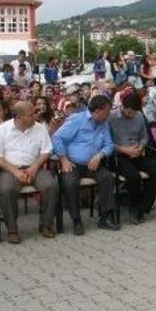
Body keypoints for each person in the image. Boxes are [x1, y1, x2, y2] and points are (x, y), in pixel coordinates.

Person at [0, 101, 56, 243]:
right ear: (18, 117)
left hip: (34, 167)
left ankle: (46, 224)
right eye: (31, 115)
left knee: (50, 185)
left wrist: (35, 166)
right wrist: (15, 171)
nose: (35, 117)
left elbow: (47, 151)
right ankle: (12, 230)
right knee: (6, 189)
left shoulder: (39, 128)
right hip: (9, 169)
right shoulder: (1, 130)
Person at [52, 94, 119, 235]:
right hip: (72, 163)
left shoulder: (104, 123)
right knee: (70, 183)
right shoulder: (77, 119)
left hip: (92, 163)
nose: (109, 115)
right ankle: (76, 220)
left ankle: (105, 217)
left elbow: (109, 145)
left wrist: (99, 155)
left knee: (107, 177)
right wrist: (63, 159)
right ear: (98, 111)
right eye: (107, 111)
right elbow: (57, 137)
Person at [108, 92, 156, 223]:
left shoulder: (139, 116)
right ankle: (133, 207)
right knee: (133, 176)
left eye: (135, 112)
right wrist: (124, 149)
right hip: (119, 155)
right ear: (123, 107)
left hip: (138, 152)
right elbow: (106, 142)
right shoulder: (111, 118)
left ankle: (142, 208)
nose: (132, 115)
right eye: (130, 112)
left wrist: (141, 147)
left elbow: (145, 137)